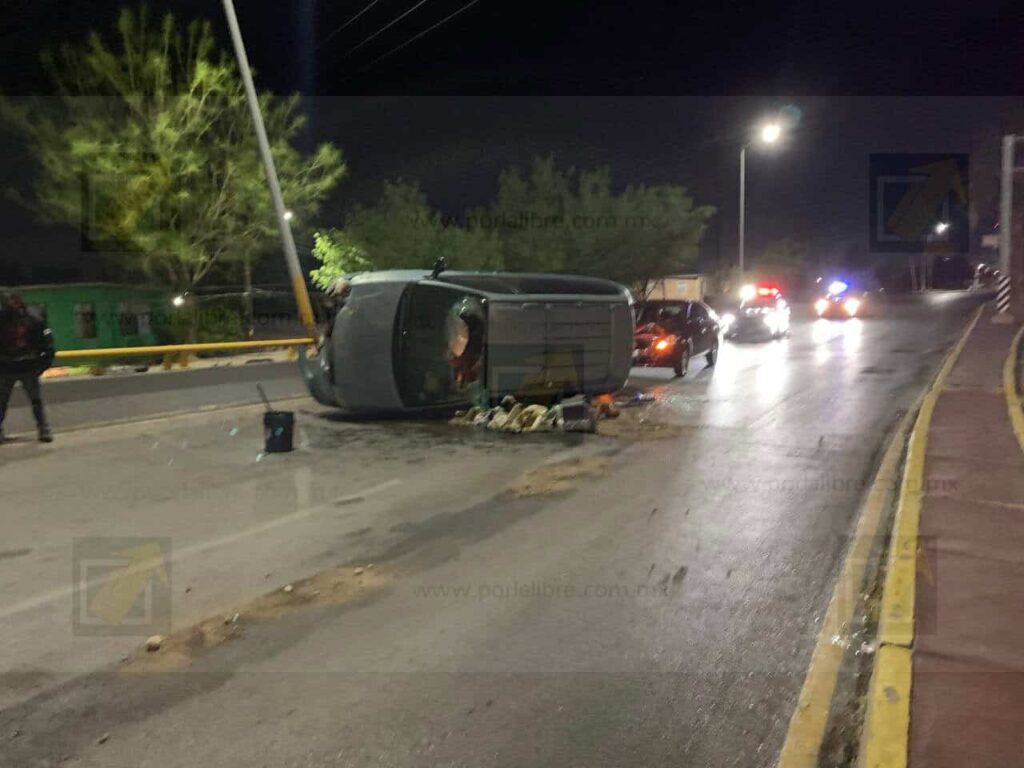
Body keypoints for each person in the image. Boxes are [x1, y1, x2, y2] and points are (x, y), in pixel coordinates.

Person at [0, 292, 55, 442]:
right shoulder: (31, 318)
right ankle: (43, 429)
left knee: (34, 400)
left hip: (21, 366)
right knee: (8, 401)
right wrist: (43, 364)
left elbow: (47, 343)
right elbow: (48, 342)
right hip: (13, 366)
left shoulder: (33, 319)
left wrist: (42, 364)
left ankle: (43, 429)